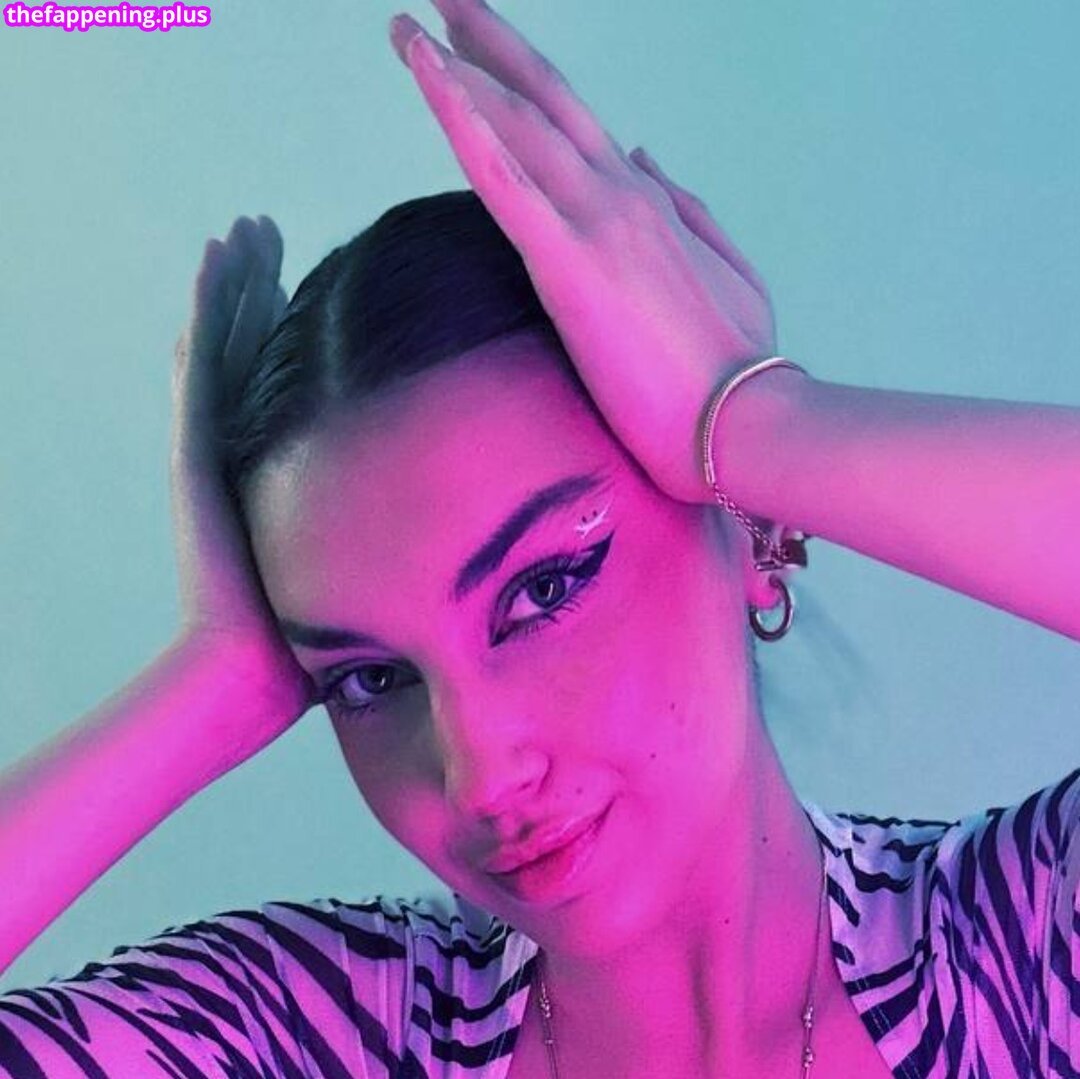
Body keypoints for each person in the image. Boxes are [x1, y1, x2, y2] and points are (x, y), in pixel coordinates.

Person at [2, 2, 1079, 1077]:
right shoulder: (313, 1035)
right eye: (370, 678)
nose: (481, 773)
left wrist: (754, 422)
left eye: (544, 589)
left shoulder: (1015, 952)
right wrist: (219, 680)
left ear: (752, 532)